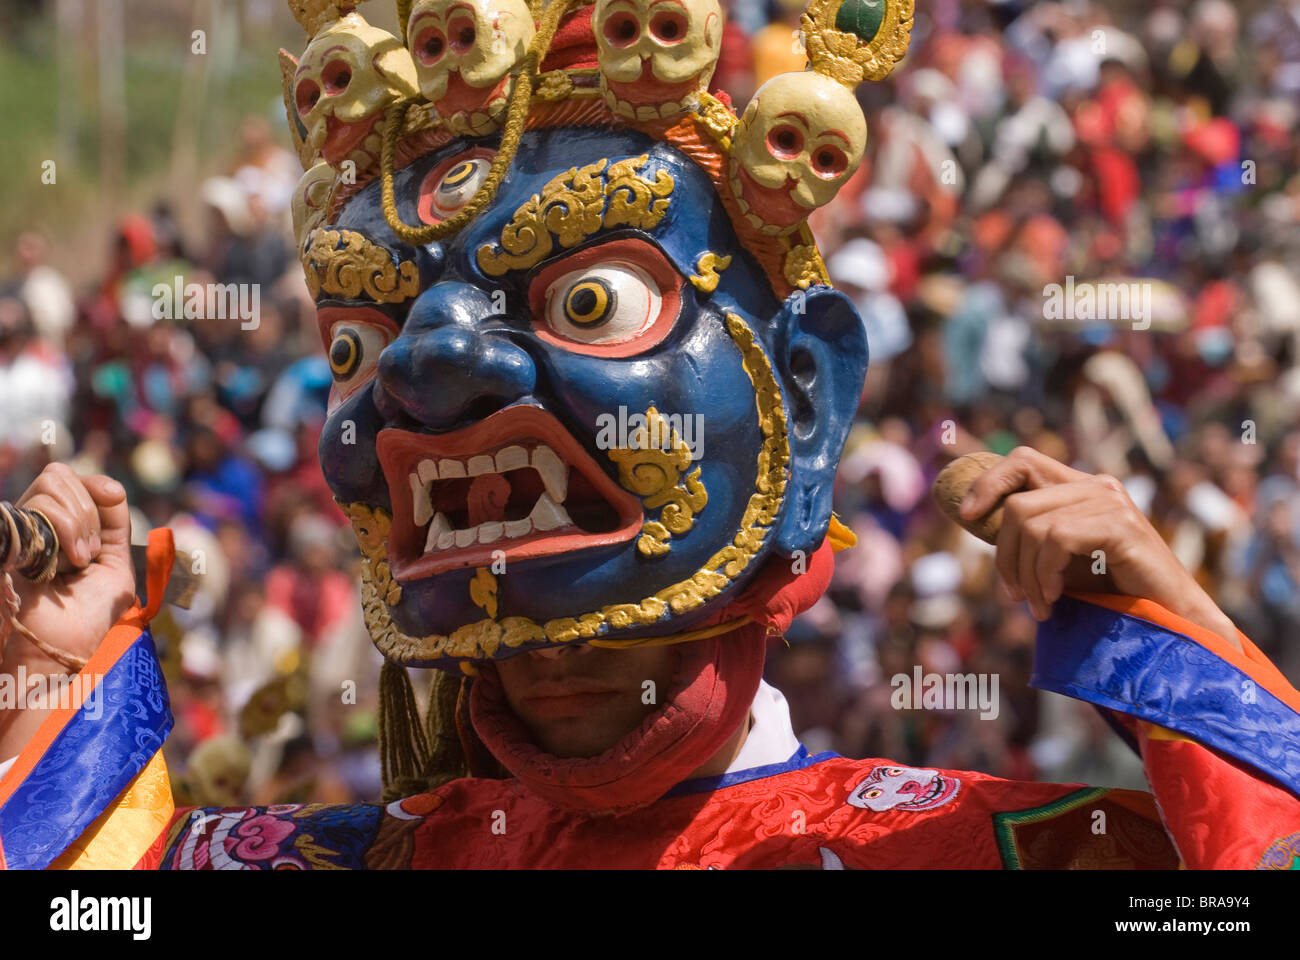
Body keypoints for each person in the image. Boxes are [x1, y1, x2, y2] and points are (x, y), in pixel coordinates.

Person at [0, 0, 1298, 871]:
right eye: (359, 339)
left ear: (806, 393)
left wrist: (1182, 655)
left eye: (589, 298)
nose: (432, 370)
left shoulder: (985, 849)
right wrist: (59, 675)